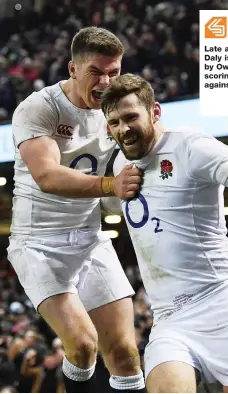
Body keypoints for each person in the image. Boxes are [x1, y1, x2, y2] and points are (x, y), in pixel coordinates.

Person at [100, 73, 228, 393]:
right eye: (114, 122)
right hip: (170, 317)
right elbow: (115, 207)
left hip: (223, 304)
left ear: (155, 111)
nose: (123, 129)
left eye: (131, 117)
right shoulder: (120, 164)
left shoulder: (191, 148)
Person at [7, 28, 145, 393]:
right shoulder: (40, 108)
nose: (105, 82)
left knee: (127, 354)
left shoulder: (117, 106)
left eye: (113, 72)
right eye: (96, 72)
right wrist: (110, 187)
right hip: (38, 242)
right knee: (83, 345)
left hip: (91, 238)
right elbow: (48, 176)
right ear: (72, 68)